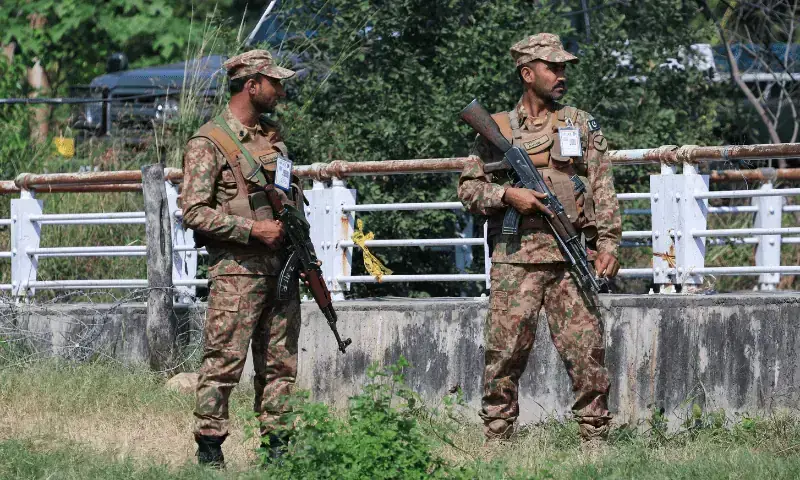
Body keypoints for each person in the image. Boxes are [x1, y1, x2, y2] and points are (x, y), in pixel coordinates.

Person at [457, 33, 622, 446]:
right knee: (504, 353)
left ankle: (594, 439)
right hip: (516, 261)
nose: (561, 74)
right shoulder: (496, 129)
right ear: (527, 74)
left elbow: (602, 187)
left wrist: (609, 245)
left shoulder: (579, 123)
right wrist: (508, 195)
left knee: (586, 352)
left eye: (564, 67)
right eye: (553, 67)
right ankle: (497, 437)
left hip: (571, 260)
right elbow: (469, 191)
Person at [181, 49, 301, 467]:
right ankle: (210, 453)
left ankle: (278, 452)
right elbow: (193, 211)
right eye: (275, 82)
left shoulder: (272, 137)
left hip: (280, 269)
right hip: (237, 273)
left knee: (281, 363)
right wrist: (251, 229)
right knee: (224, 362)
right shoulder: (208, 142)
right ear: (252, 85)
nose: (281, 90)